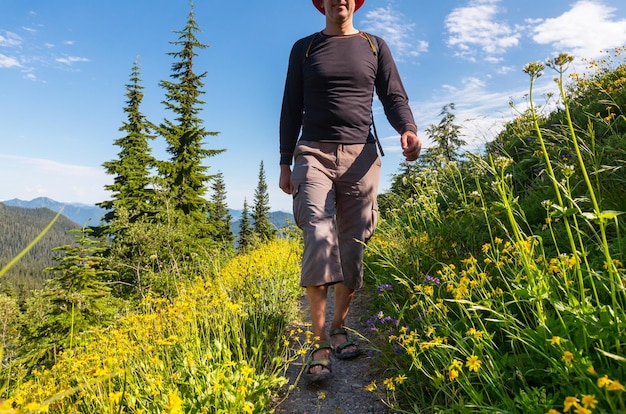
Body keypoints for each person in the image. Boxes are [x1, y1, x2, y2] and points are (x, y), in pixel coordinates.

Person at [279, 0, 421, 381]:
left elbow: (394, 96)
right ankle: (320, 341)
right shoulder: (304, 48)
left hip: (362, 155)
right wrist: (284, 161)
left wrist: (406, 128)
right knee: (318, 233)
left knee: (353, 243)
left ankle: (339, 326)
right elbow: (291, 106)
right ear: (321, 3)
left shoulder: (374, 46)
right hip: (312, 153)